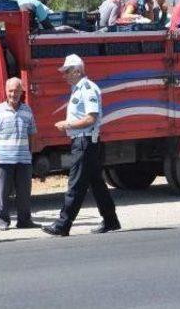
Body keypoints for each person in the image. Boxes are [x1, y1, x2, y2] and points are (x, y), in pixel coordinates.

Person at [42, 55, 120, 237]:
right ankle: (111, 220)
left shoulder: (87, 89)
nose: (64, 75)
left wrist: (67, 124)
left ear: (77, 71)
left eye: (67, 71)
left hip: (84, 141)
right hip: (84, 141)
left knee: (75, 184)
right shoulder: (77, 89)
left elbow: (91, 118)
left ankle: (63, 224)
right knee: (97, 184)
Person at [0, 77, 39, 231]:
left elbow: (31, 133)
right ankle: (2, 220)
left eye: (17, 91)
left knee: (24, 193)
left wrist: (29, 153)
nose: (13, 94)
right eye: (11, 91)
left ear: (21, 92)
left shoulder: (27, 110)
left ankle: (24, 220)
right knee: (3, 193)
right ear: (6, 91)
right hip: (4, 159)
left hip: (23, 159)